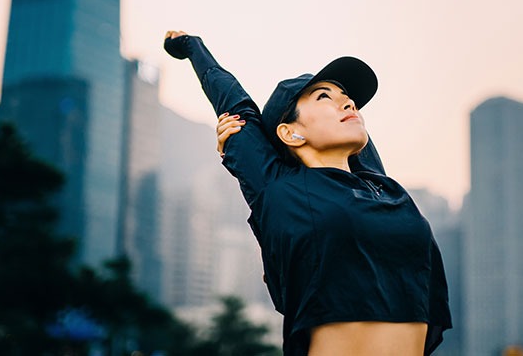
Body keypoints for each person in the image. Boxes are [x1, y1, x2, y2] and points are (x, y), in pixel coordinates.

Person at [163, 31, 451, 356]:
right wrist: (192, 46)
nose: (349, 102)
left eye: (348, 97)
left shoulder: (385, 189)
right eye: (324, 96)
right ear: (291, 132)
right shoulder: (281, 190)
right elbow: (235, 103)